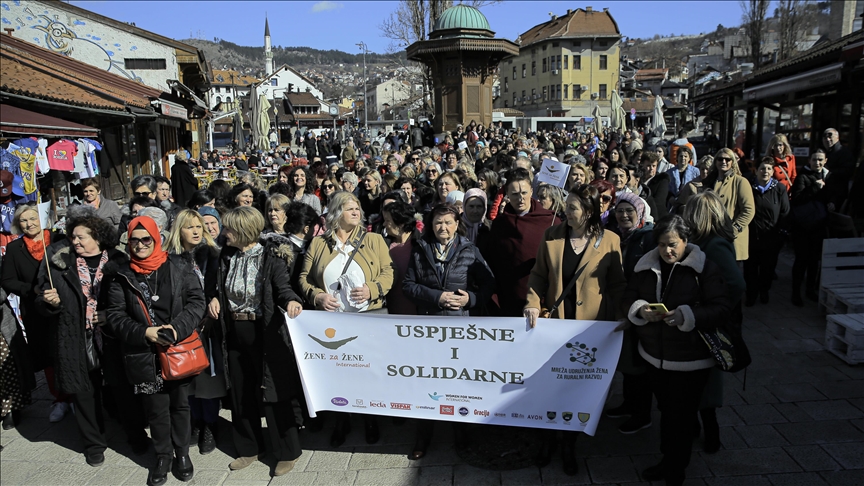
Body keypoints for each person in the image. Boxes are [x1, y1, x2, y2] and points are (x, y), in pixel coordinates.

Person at [524, 184, 626, 475]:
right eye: (566, 206)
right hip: (555, 325)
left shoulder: (610, 240)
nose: (565, 211)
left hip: (590, 329)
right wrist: (532, 302)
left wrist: (621, 316)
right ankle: (546, 440)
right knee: (549, 384)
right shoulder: (551, 236)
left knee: (576, 387)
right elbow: (539, 275)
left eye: (572, 207)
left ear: (589, 211)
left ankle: (569, 443)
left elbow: (618, 283)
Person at [623, 215, 730, 486]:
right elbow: (629, 294)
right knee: (668, 411)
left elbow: (721, 309)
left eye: (672, 244)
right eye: (661, 245)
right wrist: (640, 309)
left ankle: (675, 468)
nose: (667, 251)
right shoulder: (644, 265)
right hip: (654, 356)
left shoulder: (704, 269)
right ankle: (669, 459)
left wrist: (686, 315)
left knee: (679, 416)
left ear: (685, 241)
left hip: (690, 360)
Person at [106, 216, 205, 484]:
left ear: (156, 238)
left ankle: (182, 453)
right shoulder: (121, 275)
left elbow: (197, 302)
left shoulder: (179, 266)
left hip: (177, 349)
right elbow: (115, 316)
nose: (139, 245)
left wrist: (177, 328)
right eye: (134, 240)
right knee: (155, 407)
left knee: (180, 405)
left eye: (145, 239)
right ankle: (163, 455)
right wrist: (144, 333)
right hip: (144, 354)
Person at [206, 207, 304, 475]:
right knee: (240, 391)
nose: (223, 233)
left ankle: (287, 450)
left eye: (228, 228)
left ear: (243, 231)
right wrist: (214, 296)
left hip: (264, 331)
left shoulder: (270, 256)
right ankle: (248, 447)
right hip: (234, 330)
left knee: (274, 392)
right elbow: (215, 285)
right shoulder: (226, 255)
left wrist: (292, 300)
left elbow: (283, 287)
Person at [299, 192, 394, 447]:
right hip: (332, 323)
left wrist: (372, 289)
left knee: (367, 372)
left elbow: (388, 273)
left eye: (358, 208)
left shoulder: (374, 240)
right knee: (337, 373)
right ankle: (341, 419)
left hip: (368, 319)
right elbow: (304, 278)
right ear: (336, 213)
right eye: (350, 209)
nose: (356, 213)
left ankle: (370, 418)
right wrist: (317, 296)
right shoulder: (318, 244)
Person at [402, 203, 495, 460]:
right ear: (431, 225)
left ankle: (461, 433)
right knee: (427, 382)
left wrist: (471, 299)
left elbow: (489, 283)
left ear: (457, 224)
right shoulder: (420, 250)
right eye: (438, 222)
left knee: (458, 383)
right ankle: (423, 436)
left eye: (448, 222)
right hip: (429, 329)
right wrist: (437, 297)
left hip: (460, 330)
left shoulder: (469, 250)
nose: (443, 227)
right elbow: (408, 286)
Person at [36, 213, 130, 467]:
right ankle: (93, 443)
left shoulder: (119, 261)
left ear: (97, 237)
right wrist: (49, 302)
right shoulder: (58, 264)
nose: (75, 241)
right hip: (75, 337)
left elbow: (132, 302)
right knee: (84, 392)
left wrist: (110, 315)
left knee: (120, 388)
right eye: (73, 236)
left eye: (81, 237)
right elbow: (40, 299)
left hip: (111, 337)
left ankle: (133, 434)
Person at [680, 192, 746, 455]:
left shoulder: (714, 245)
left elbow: (736, 284)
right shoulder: (702, 242)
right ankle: (698, 426)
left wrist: (714, 309)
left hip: (709, 324)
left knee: (707, 380)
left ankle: (711, 432)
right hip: (701, 321)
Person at [164, 209, 225, 455]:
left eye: (199, 226)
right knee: (185, 378)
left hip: (207, 326)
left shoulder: (214, 254)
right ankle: (193, 423)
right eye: (190, 227)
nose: (197, 230)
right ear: (179, 230)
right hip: (182, 326)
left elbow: (221, 286)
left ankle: (210, 424)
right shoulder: (169, 258)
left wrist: (214, 298)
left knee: (208, 379)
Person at [1, 204, 63, 424]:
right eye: (24, 220)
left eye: (33, 218)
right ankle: (58, 398)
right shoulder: (15, 248)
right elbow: (8, 280)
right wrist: (32, 290)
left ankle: (75, 396)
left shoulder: (57, 240)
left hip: (64, 306)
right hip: (35, 310)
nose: (29, 224)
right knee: (46, 354)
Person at [604, 192, 655, 435]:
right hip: (623, 308)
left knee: (639, 364)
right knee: (627, 362)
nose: (624, 215)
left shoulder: (648, 238)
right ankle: (628, 404)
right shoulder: (620, 237)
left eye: (629, 211)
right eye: (620, 211)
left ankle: (642, 414)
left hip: (639, 309)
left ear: (640, 213)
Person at [483, 168, 560, 317]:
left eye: (524, 193)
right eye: (515, 194)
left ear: (532, 191)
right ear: (507, 196)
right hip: (509, 297)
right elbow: (492, 261)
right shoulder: (501, 224)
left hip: (542, 297)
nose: (520, 198)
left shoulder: (550, 221)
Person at [743, 157, 790, 306]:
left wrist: (780, 233)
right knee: (750, 269)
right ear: (756, 170)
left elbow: (785, 212)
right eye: (762, 168)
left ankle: (764, 291)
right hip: (752, 236)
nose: (766, 171)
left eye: (769, 168)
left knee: (767, 268)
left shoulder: (779, 188)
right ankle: (751, 293)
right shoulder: (748, 187)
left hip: (771, 237)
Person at [789, 150, 830, 306]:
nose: (817, 163)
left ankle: (810, 290)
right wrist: (814, 187)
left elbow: (829, 196)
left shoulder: (827, 176)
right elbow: (797, 199)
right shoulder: (802, 177)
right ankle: (796, 292)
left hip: (818, 226)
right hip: (802, 227)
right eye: (814, 160)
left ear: (825, 160)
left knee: (814, 261)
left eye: (820, 160)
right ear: (809, 160)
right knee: (801, 260)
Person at [700, 148, 755, 261]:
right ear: (715, 161)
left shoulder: (741, 182)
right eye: (720, 159)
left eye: (727, 159)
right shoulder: (709, 182)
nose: (724, 162)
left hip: (731, 239)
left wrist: (733, 229)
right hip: (710, 238)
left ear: (733, 162)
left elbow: (749, 210)